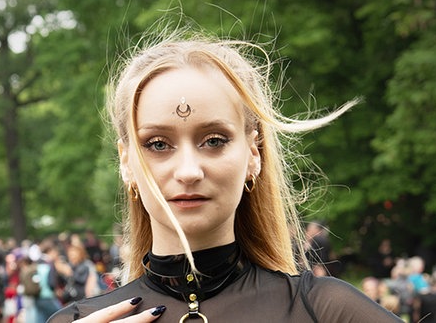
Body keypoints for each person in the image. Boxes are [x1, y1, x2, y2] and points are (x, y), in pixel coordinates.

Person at [48, 29, 403, 322]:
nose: (188, 171)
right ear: (126, 162)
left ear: (253, 154)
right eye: (157, 144)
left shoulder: (327, 312)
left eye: (214, 140)